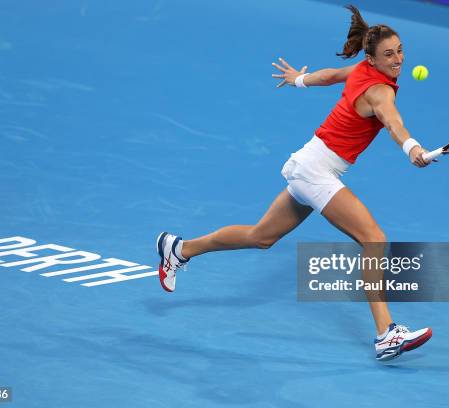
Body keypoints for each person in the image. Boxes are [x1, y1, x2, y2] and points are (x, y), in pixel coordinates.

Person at [156, 5, 432, 361]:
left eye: (400, 51)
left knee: (262, 237)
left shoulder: (362, 69)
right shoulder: (381, 92)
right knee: (374, 239)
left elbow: (331, 75)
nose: (398, 59)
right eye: (389, 54)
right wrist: (411, 148)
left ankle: (179, 248)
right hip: (316, 170)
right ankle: (385, 334)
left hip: (310, 163)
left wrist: (298, 80)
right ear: (373, 58)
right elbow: (394, 123)